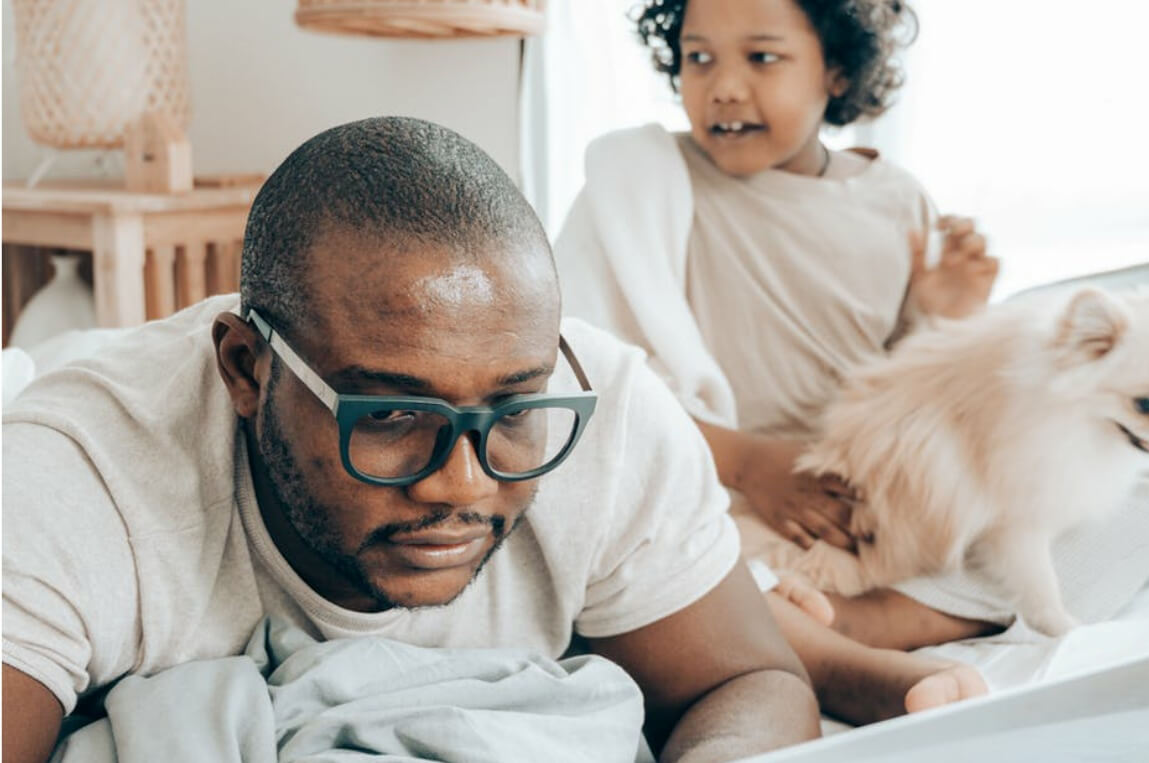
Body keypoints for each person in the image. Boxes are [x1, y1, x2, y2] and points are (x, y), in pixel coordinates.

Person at [1, 117, 826, 763]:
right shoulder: (75, 480)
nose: (463, 486)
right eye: (391, 416)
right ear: (247, 370)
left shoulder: (605, 411)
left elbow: (744, 679)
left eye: (511, 410)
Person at [553, 0, 1149, 702]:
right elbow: (587, 372)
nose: (725, 86)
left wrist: (943, 313)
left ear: (835, 71)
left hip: (877, 489)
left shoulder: (897, 200)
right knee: (627, 549)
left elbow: (915, 394)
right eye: (698, 57)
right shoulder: (638, 183)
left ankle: (887, 618)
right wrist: (749, 462)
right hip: (728, 485)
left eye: (762, 57)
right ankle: (841, 663)